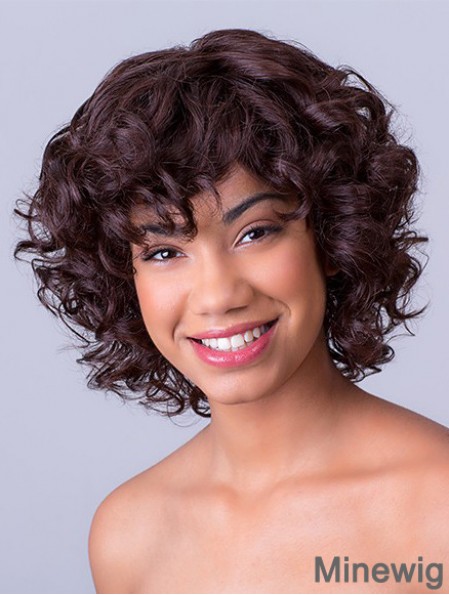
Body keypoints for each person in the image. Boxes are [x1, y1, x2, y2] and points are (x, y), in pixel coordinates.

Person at [14, 28, 449, 594]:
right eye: (164, 252)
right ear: (125, 279)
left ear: (332, 237)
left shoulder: (436, 506)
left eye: (256, 232)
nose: (218, 295)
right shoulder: (129, 536)